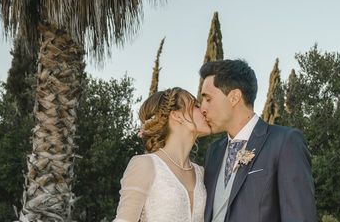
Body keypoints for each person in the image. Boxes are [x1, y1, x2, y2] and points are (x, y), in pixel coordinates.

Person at [199, 59, 317, 222]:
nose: (202, 108)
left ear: (234, 97)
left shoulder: (284, 142)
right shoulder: (213, 151)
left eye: (208, 99)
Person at [114, 87, 212, 222]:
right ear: (177, 115)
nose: (203, 110)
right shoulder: (145, 165)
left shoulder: (201, 173)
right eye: (195, 106)